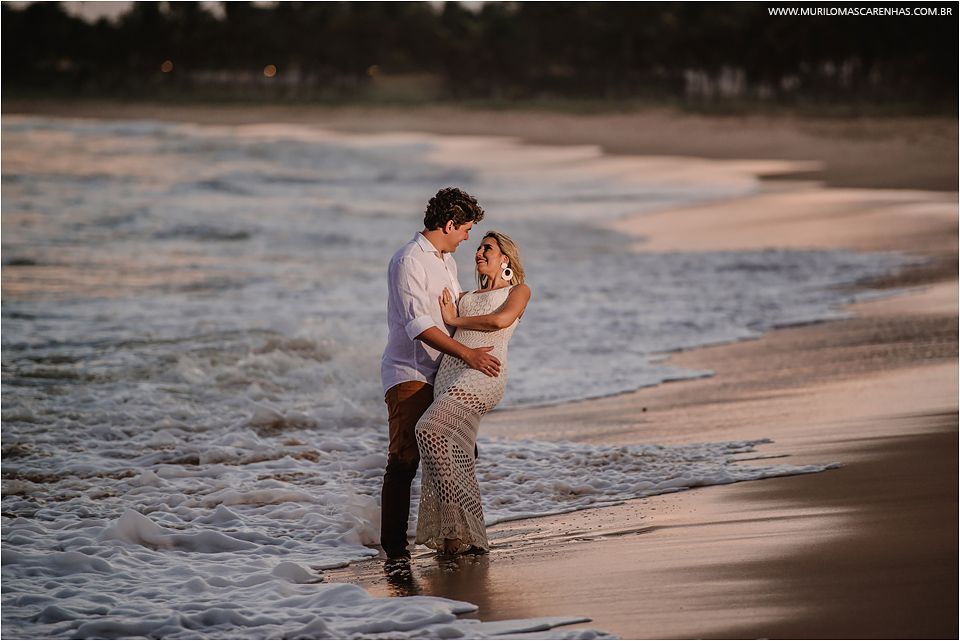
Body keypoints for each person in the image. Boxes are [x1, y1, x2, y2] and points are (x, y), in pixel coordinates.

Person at [380, 187, 499, 560]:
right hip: (411, 373)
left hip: (444, 373)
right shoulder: (408, 261)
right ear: (449, 224)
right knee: (405, 460)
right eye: (465, 230)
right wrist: (469, 354)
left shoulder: (446, 261)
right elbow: (419, 325)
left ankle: (457, 535)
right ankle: (395, 553)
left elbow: (453, 315)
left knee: (461, 452)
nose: (468, 238)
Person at [415, 231, 531, 555]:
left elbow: (499, 321)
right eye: (478, 247)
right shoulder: (465, 294)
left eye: (487, 248)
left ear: (504, 258)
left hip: (485, 371)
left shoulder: (519, 290)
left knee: (429, 429)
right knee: (459, 454)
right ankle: (473, 537)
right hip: (449, 373)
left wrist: (455, 318)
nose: (479, 251)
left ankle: (452, 532)